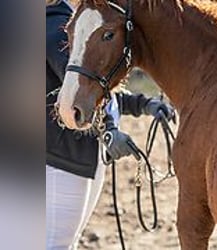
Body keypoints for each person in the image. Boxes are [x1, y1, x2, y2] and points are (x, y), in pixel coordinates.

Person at [46, 0, 175, 249]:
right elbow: (79, 93)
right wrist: (109, 131)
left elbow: (98, 87)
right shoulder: (57, 23)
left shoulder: (81, 19)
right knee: (57, 244)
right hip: (62, 159)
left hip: (81, 157)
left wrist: (143, 105)